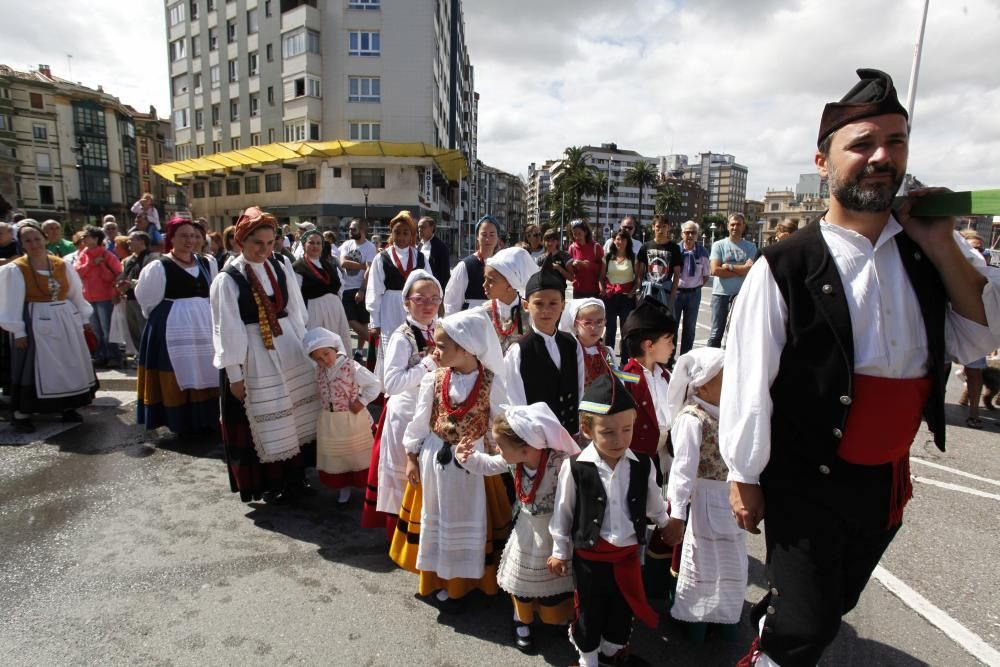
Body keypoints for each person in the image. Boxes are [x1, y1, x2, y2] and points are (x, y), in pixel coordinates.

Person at [722, 69, 1000, 667]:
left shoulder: (926, 257)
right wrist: (745, 474)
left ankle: (782, 618)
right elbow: (749, 380)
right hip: (806, 475)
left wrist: (941, 241)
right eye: (863, 145)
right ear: (823, 161)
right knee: (809, 624)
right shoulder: (785, 266)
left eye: (896, 144)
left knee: (835, 600)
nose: (882, 157)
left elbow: (979, 339)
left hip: (885, 480)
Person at [389, 308, 511, 610]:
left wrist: (501, 456)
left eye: (443, 345)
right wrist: (411, 457)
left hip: (473, 465)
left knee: (469, 519)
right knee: (440, 517)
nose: (435, 350)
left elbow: (500, 424)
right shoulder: (432, 380)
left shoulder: (491, 381)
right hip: (436, 459)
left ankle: (470, 580)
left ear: (466, 347)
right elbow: (419, 422)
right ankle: (442, 577)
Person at [548, 374, 671, 667]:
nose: (620, 440)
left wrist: (667, 524)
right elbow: (563, 512)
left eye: (626, 429)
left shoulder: (642, 464)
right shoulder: (575, 467)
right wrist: (559, 551)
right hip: (590, 558)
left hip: (629, 555)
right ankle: (588, 659)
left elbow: (653, 501)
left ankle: (611, 650)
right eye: (608, 432)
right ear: (588, 430)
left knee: (623, 607)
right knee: (590, 610)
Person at [211, 206, 321, 504]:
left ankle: (295, 476)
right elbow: (227, 329)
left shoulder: (280, 265)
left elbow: (297, 311)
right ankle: (270, 481)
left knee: (295, 413)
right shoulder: (228, 278)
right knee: (263, 418)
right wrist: (235, 375)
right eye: (257, 243)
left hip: (288, 347)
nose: (264, 249)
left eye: (270, 243)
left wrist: (306, 347)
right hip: (254, 353)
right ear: (240, 241)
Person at [456, 403, 580, 652]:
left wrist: (561, 548)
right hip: (526, 529)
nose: (497, 450)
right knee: (521, 583)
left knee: (556, 583)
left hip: (555, 530)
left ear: (525, 449)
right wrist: (467, 458)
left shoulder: (561, 464)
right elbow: (489, 464)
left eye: (500, 446)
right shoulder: (516, 459)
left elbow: (567, 505)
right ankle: (521, 621)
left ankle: (556, 618)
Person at [662, 348, 746, 636]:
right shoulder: (692, 419)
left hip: (726, 498)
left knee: (727, 561)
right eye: (727, 379)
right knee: (699, 562)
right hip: (701, 501)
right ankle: (693, 619)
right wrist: (677, 514)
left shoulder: (728, 414)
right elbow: (682, 472)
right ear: (704, 384)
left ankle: (722, 615)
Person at [361, 269, 441, 538]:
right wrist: (429, 364)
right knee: (407, 476)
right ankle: (402, 536)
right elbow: (392, 384)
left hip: (432, 414)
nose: (428, 304)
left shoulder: (441, 331)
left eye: (434, 298)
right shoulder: (402, 336)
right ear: (406, 302)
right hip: (406, 416)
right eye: (421, 298)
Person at [0, 221, 97, 432]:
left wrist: (83, 319)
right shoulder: (16, 269)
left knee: (68, 362)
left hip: (65, 321)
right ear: (22, 244)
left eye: (37, 239)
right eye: (28, 240)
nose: (34, 244)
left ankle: (68, 407)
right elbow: (11, 302)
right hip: (34, 321)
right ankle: (22, 413)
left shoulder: (62, 265)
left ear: (44, 239)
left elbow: (75, 294)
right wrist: (18, 331)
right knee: (33, 368)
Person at [134, 218, 220, 435]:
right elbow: (148, 300)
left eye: (193, 235)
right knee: (179, 371)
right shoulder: (158, 266)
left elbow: (215, 293)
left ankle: (207, 418)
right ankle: (180, 422)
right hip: (173, 329)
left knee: (205, 369)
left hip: (204, 327)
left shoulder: (207, 262)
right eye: (183, 235)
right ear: (171, 238)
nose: (189, 240)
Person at [303, 328, 380, 504]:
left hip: (352, 417)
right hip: (330, 420)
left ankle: (371, 486)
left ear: (335, 349)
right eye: (318, 358)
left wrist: (362, 401)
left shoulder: (352, 367)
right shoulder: (319, 370)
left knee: (357, 453)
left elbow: (374, 384)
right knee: (339, 457)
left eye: (326, 354)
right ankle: (344, 488)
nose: (324, 360)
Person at [504, 271, 584, 435]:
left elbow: (579, 388)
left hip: (570, 433)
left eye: (553, 303)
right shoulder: (519, 351)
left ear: (563, 305)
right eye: (539, 304)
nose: (546, 310)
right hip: (537, 438)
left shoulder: (572, 343)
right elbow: (516, 401)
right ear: (526, 305)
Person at [366, 210, 425, 384]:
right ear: (391, 233)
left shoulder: (420, 257)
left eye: (405, 233)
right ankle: (391, 387)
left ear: (412, 235)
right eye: (397, 232)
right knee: (393, 345)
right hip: (390, 307)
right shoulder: (382, 257)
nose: (401, 236)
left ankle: (413, 383)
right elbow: (374, 290)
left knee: (413, 344)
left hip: (414, 306)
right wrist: (374, 321)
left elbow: (428, 282)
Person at [620, 299, 676, 473]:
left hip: (664, 456)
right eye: (669, 341)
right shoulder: (627, 379)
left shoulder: (666, 376)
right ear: (648, 345)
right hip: (638, 458)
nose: (673, 347)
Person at [293, 229, 353, 356]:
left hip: (336, 310)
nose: (315, 246)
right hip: (314, 313)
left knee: (338, 345)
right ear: (304, 245)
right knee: (320, 346)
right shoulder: (298, 267)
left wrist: (334, 302)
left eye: (318, 243)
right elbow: (296, 295)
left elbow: (340, 285)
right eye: (311, 243)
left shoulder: (329, 264)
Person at [958, 232, 993, 429]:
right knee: (940, 367)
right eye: (971, 248)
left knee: (975, 372)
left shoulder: (988, 273)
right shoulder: (949, 265)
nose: (976, 252)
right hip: (950, 324)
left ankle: (974, 412)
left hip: (974, 329)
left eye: (980, 249)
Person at [75, 225, 124, 369]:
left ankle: (114, 356)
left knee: (107, 329)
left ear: (96, 239)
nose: (83, 239)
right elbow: (77, 272)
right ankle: (101, 355)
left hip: (105, 297)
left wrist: (116, 293)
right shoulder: (83, 254)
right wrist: (91, 264)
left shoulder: (107, 255)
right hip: (89, 297)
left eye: (86, 237)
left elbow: (116, 275)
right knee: (96, 330)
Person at [707, 213, 757, 348]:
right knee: (716, 333)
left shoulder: (751, 247)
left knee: (738, 333)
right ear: (728, 227)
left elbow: (751, 270)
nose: (735, 227)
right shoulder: (719, 245)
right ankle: (711, 365)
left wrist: (729, 266)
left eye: (738, 224)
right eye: (732, 224)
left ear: (743, 226)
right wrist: (741, 270)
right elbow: (715, 270)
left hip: (742, 295)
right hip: (720, 295)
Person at [482, 246, 538, 354]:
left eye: (491, 281)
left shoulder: (529, 311)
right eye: (485, 279)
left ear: (510, 284)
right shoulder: (484, 311)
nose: (484, 285)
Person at [444, 215, 501, 315]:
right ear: (477, 237)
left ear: (497, 238)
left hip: (497, 320)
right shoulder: (466, 265)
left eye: (492, 235)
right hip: (471, 320)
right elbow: (452, 302)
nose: (488, 239)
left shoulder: (502, 265)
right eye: (484, 234)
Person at [339, 218, 378, 360]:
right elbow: (343, 263)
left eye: (353, 229)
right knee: (349, 319)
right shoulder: (347, 244)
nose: (350, 231)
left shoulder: (369, 247)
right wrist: (362, 265)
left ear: (362, 230)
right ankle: (376, 344)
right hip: (347, 288)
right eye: (349, 229)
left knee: (363, 321)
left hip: (362, 287)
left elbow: (370, 271)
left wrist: (362, 290)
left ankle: (360, 351)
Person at [559, 297, 615, 390]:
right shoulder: (569, 353)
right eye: (588, 323)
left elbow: (616, 377)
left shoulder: (607, 352)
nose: (594, 328)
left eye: (599, 322)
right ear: (575, 324)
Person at [600, 228, 637, 362]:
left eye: (623, 239)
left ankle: (625, 360)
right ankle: (609, 361)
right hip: (610, 297)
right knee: (610, 330)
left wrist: (632, 293)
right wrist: (603, 290)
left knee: (626, 330)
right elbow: (601, 277)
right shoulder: (608, 257)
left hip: (626, 298)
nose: (619, 242)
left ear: (628, 241)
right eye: (617, 239)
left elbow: (638, 280)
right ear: (613, 240)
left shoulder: (633, 257)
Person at [675, 220, 711, 355]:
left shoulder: (702, 252)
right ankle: (669, 360)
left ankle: (685, 358)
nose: (690, 235)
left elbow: (706, 275)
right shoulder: (676, 250)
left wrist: (694, 286)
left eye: (693, 232)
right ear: (682, 234)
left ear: (697, 235)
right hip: (676, 293)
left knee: (689, 328)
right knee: (672, 327)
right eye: (687, 232)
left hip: (693, 294)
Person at [116, 231, 155, 355]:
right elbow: (123, 275)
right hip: (130, 299)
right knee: (134, 331)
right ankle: (141, 356)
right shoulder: (129, 260)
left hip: (144, 301)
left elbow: (151, 279)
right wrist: (120, 284)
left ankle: (149, 356)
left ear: (142, 242)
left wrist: (131, 284)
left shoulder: (152, 259)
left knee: (145, 330)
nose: (128, 242)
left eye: (132, 239)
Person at [636, 214, 682, 311]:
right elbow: (640, 272)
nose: (661, 230)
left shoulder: (674, 248)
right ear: (653, 227)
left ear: (668, 228)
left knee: (663, 323)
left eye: (664, 227)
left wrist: (672, 296)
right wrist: (638, 291)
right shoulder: (645, 246)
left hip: (665, 292)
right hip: (648, 291)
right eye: (658, 226)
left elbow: (677, 274)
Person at [567, 219, 605, 299]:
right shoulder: (572, 248)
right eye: (574, 234)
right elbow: (570, 272)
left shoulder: (596, 247)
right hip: (578, 290)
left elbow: (603, 269)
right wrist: (573, 266)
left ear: (586, 232)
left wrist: (588, 265)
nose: (577, 237)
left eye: (579, 233)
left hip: (595, 290)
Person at [416, 216, 451, 291]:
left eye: (423, 227)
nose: (420, 230)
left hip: (434, 290)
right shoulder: (419, 246)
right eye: (418, 227)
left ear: (432, 228)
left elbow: (445, 275)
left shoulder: (441, 247)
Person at [536, 228, 573, 295]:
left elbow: (572, 278)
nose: (550, 243)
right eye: (547, 240)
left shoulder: (564, 256)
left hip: (559, 292)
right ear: (544, 242)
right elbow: (536, 278)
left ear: (558, 242)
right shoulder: (540, 258)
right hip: (544, 292)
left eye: (553, 240)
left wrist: (559, 268)